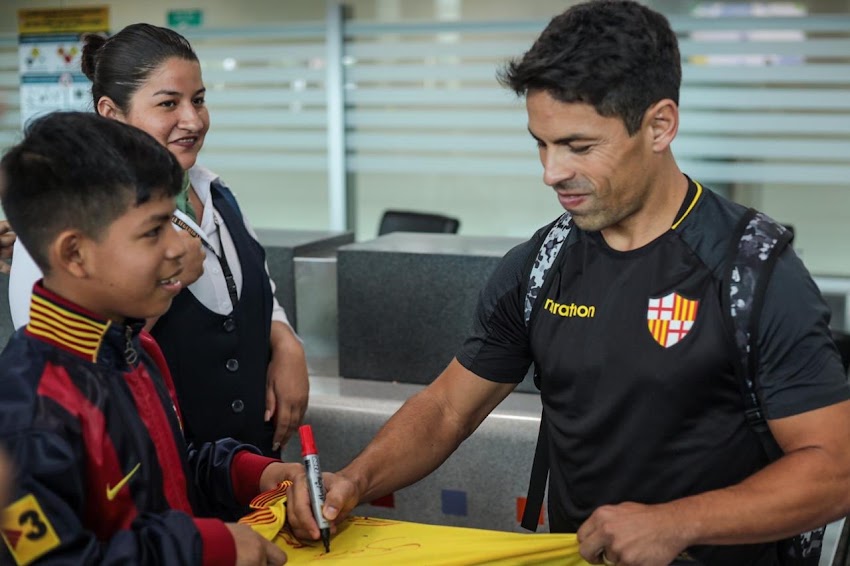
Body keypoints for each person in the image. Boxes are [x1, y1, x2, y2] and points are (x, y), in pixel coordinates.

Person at [286, 2, 850, 565]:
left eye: (579, 147)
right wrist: (355, 479)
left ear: (659, 126)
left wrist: (677, 524)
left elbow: (834, 468)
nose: (551, 171)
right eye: (541, 142)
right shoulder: (541, 264)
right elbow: (447, 410)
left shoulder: (752, 271)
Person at [0, 111, 297, 565]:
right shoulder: (29, 408)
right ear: (75, 254)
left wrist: (255, 474)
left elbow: (162, 472)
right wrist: (207, 547)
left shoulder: (134, 350)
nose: (179, 247)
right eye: (155, 230)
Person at [6, 23, 309, 455]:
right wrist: (171, 280)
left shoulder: (216, 193)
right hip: (150, 485)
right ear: (111, 114)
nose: (194, 120)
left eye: (199, 100)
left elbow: (257, 295)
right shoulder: (70, 227)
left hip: (246, 477)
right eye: (169, 103)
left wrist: (285, 342)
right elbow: (67, 369)